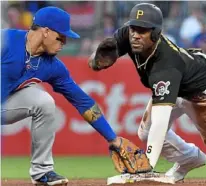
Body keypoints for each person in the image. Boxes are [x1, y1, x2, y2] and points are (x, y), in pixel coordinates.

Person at [89, 3, 206, 183]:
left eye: (143, 30)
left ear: (155, 33)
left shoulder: (165, 65)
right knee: (145, 132)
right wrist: (94, 60)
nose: (135, 35)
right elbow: (103, 53)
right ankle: (188, 158)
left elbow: (161, 123)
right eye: (133, 28)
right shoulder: (128, 36)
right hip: (180, 85)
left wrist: (146, 167)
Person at [1, 6, 151, 186]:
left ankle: (42, 172)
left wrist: (113, 138)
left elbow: (83, 102)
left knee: (44, 102)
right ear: (46, 32)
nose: (64, 42)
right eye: (61, 37)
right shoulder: (6, 40)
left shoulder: (53, 67)